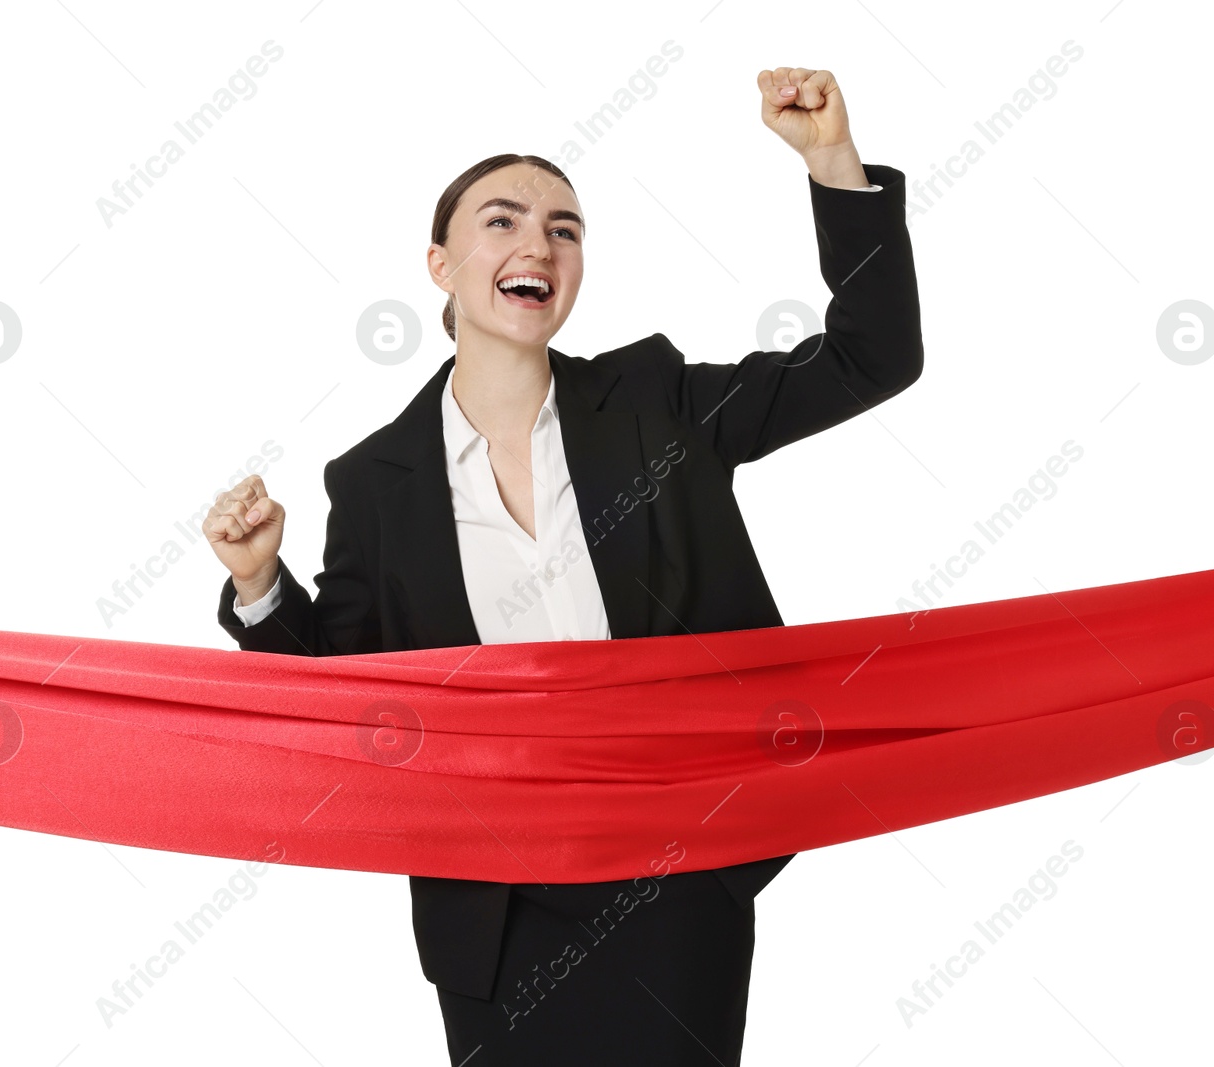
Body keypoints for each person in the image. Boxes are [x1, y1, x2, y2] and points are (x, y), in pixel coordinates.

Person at [203, 66, 923, 1066]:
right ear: (440, 264)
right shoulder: (373, 479)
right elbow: (337, 686)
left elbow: (870, 358)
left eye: (565, 228)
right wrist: (259, 583)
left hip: (675, 872)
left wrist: (830, 162)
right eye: (501, 221)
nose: (538, 242)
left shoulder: (655, 402)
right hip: (493, 911)